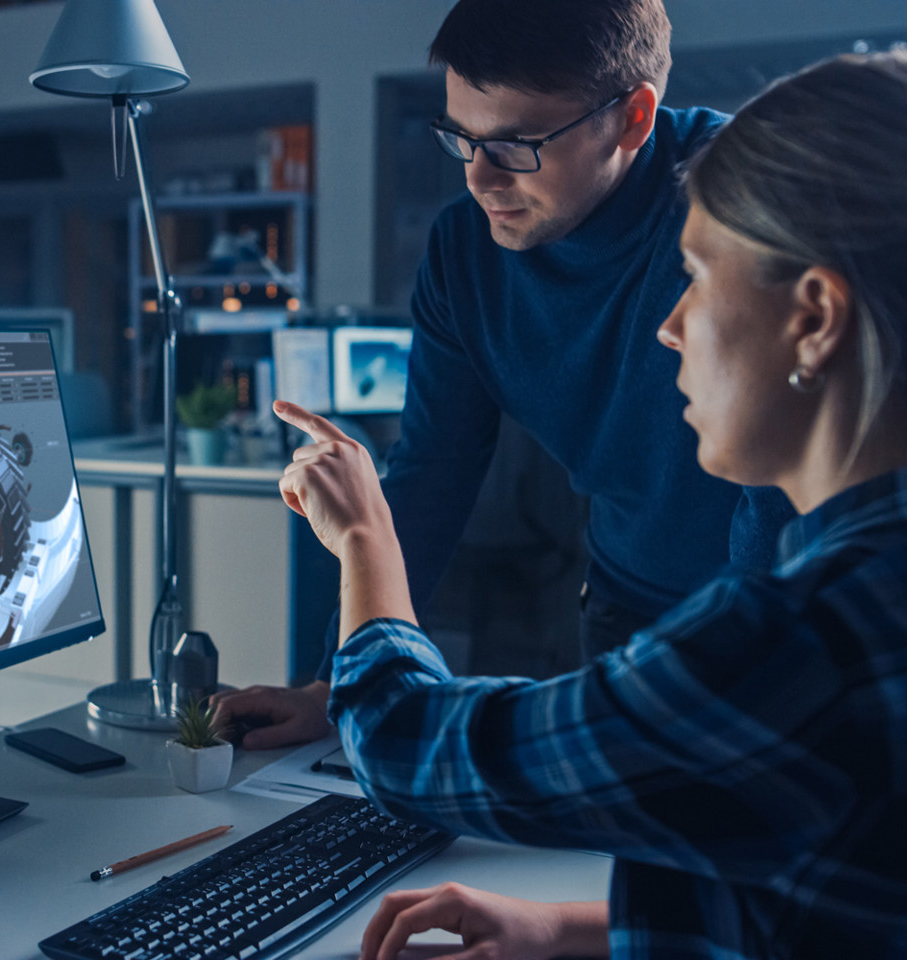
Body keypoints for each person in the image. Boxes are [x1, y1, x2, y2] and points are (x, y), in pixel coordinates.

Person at [276, 49, 907, 959]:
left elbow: (405, 744)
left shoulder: (797, 647)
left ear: (813, 317)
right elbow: (820, 892)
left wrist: (363, 532)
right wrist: (573, 929)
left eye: (698, 276)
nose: (670, 323)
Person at [213, 0, 794, 750]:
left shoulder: (745, 208)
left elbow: (782, 484)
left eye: (517, 145)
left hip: (774, 607)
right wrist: (335, 682)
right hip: (625, 603)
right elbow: (433, 470)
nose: (481, 180)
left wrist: (760, 671)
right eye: (462, 139)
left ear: (632, 118)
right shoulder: (464, 255)